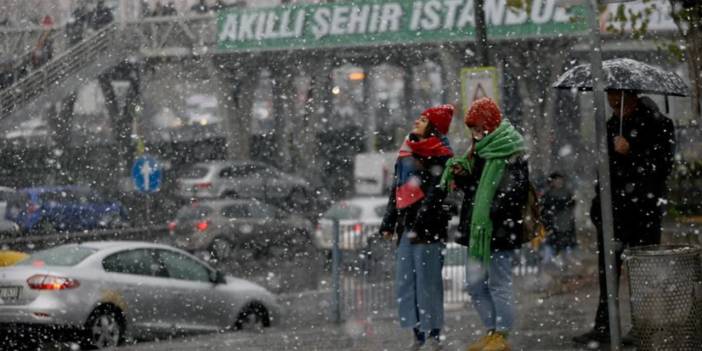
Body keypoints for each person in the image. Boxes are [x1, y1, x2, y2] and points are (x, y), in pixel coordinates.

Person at [572, 91, 675, 346]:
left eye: (619, 104)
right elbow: (604, 170)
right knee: (608, 271)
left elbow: (662, 167)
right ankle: (604, 325)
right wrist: (598, 207)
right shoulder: (610, 126)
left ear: (633, 99)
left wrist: (631, 152)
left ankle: (643, 325)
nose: (615, 109)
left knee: (642, 272)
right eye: (611, 104)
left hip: (643, 210)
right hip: (613, 212)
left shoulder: (659, 124)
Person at [442, 97, 528, 351]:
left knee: (499, 283)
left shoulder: (511, 150)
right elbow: (474, 191)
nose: (476, 134)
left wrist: (492, 210)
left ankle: (501, 335)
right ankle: (491, 331)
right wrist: (463, 178)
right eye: (473, 130)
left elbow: (516, 193)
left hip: (499, 230)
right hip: (477, 230)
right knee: (475, 284)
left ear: (490, 124)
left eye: (479, 128)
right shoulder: (478, 151)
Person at [379, 104, 455, 351]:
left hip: (429, 229)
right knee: (406, 282)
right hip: (406, 227)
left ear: (433, 126)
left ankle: (433, 333)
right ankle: (416, 334)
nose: (417, 122)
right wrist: (389, 222)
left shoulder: (441, 154)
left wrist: (422, 217)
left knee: (428, 281)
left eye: (423, 120)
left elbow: (437, 191)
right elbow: (396, 191)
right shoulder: (406, 151)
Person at [540, 172, 576, 266]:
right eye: (557, 180)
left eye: (560, 180)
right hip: (554, 227)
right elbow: (545, 211)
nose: (559, 182)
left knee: (565, 251)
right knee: (553, 251)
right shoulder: (548, 195)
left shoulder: (567, 193)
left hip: (565, 225)